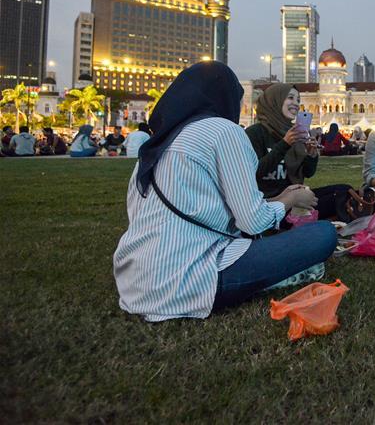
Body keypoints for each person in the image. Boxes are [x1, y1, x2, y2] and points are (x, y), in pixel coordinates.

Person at [113, 61, 336, 321]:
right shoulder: (224, 131)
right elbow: (253, 223)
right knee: (324, 234)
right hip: (188, 281)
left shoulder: (159, 141)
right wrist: (290, 199)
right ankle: (272, 279)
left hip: (133, 282)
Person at [245, 84, 353, 220]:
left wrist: (311, 154)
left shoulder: (295, 131)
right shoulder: (256, 133)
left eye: (298, 100)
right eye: (290, 98)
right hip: (271, 203)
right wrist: (284, 144)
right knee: (334, 207)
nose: (296, 104)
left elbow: (308, 172)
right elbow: (254, 173)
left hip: (298, 197)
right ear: (275, 101)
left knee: (344, 191)